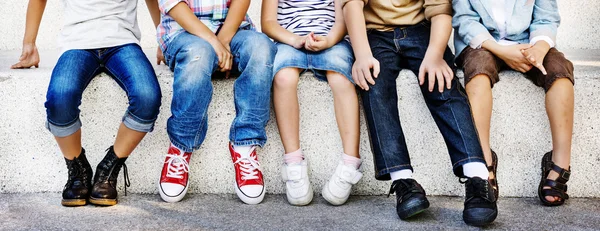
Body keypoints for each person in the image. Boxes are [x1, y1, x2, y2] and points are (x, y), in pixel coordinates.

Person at [341, 0, 497, 226]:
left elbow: (441, 10)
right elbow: (351, 5)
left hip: (422, 30)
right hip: (374, 33)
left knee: (442, 84)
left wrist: (435, 55)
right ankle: (403, 181)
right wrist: (362, 54)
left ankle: (477, 176)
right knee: (374, 84)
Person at [11, 0, 163, 207]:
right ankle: (78, 169)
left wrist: (164, 38)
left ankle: (108, 169)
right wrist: (29, 44)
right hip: (77, 44)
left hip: (123, 42)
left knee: (148, 96)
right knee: (59, 99)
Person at [453, 0, 574, 206]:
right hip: (482, 44)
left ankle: (560, 163)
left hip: (529, 43)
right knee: (478, 71)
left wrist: (539, 49)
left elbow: (546, 17)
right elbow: (465, 20)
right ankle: (482, 163)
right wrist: (501, 51)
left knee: (559, 72)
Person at [155, 0, 276, 205]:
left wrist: (224, 41)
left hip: (232, 30)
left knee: (261, 47)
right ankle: (180, 147)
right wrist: (214, 44)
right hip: (185, 33)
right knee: (199, 54)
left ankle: (245, 145)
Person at [262, 0, 362, 206]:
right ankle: (293, 163)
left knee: (341, 79)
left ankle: (350, 163)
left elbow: (343, 19)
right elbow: (268, 22)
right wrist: (295, 39)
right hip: (289, 41)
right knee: (283, 78)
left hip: (332, 41)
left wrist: (329, 40)